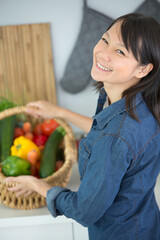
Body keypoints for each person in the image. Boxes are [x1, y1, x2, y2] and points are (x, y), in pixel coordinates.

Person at [5, 13, 160, 239]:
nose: (103, 54)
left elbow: (84, 210)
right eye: (106, 40)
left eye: (120, 52)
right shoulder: (140, 103)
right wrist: (59, 112)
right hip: (145, 224)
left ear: (143, 69)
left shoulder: (116, 136)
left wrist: (37, 185)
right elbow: (107, 135)